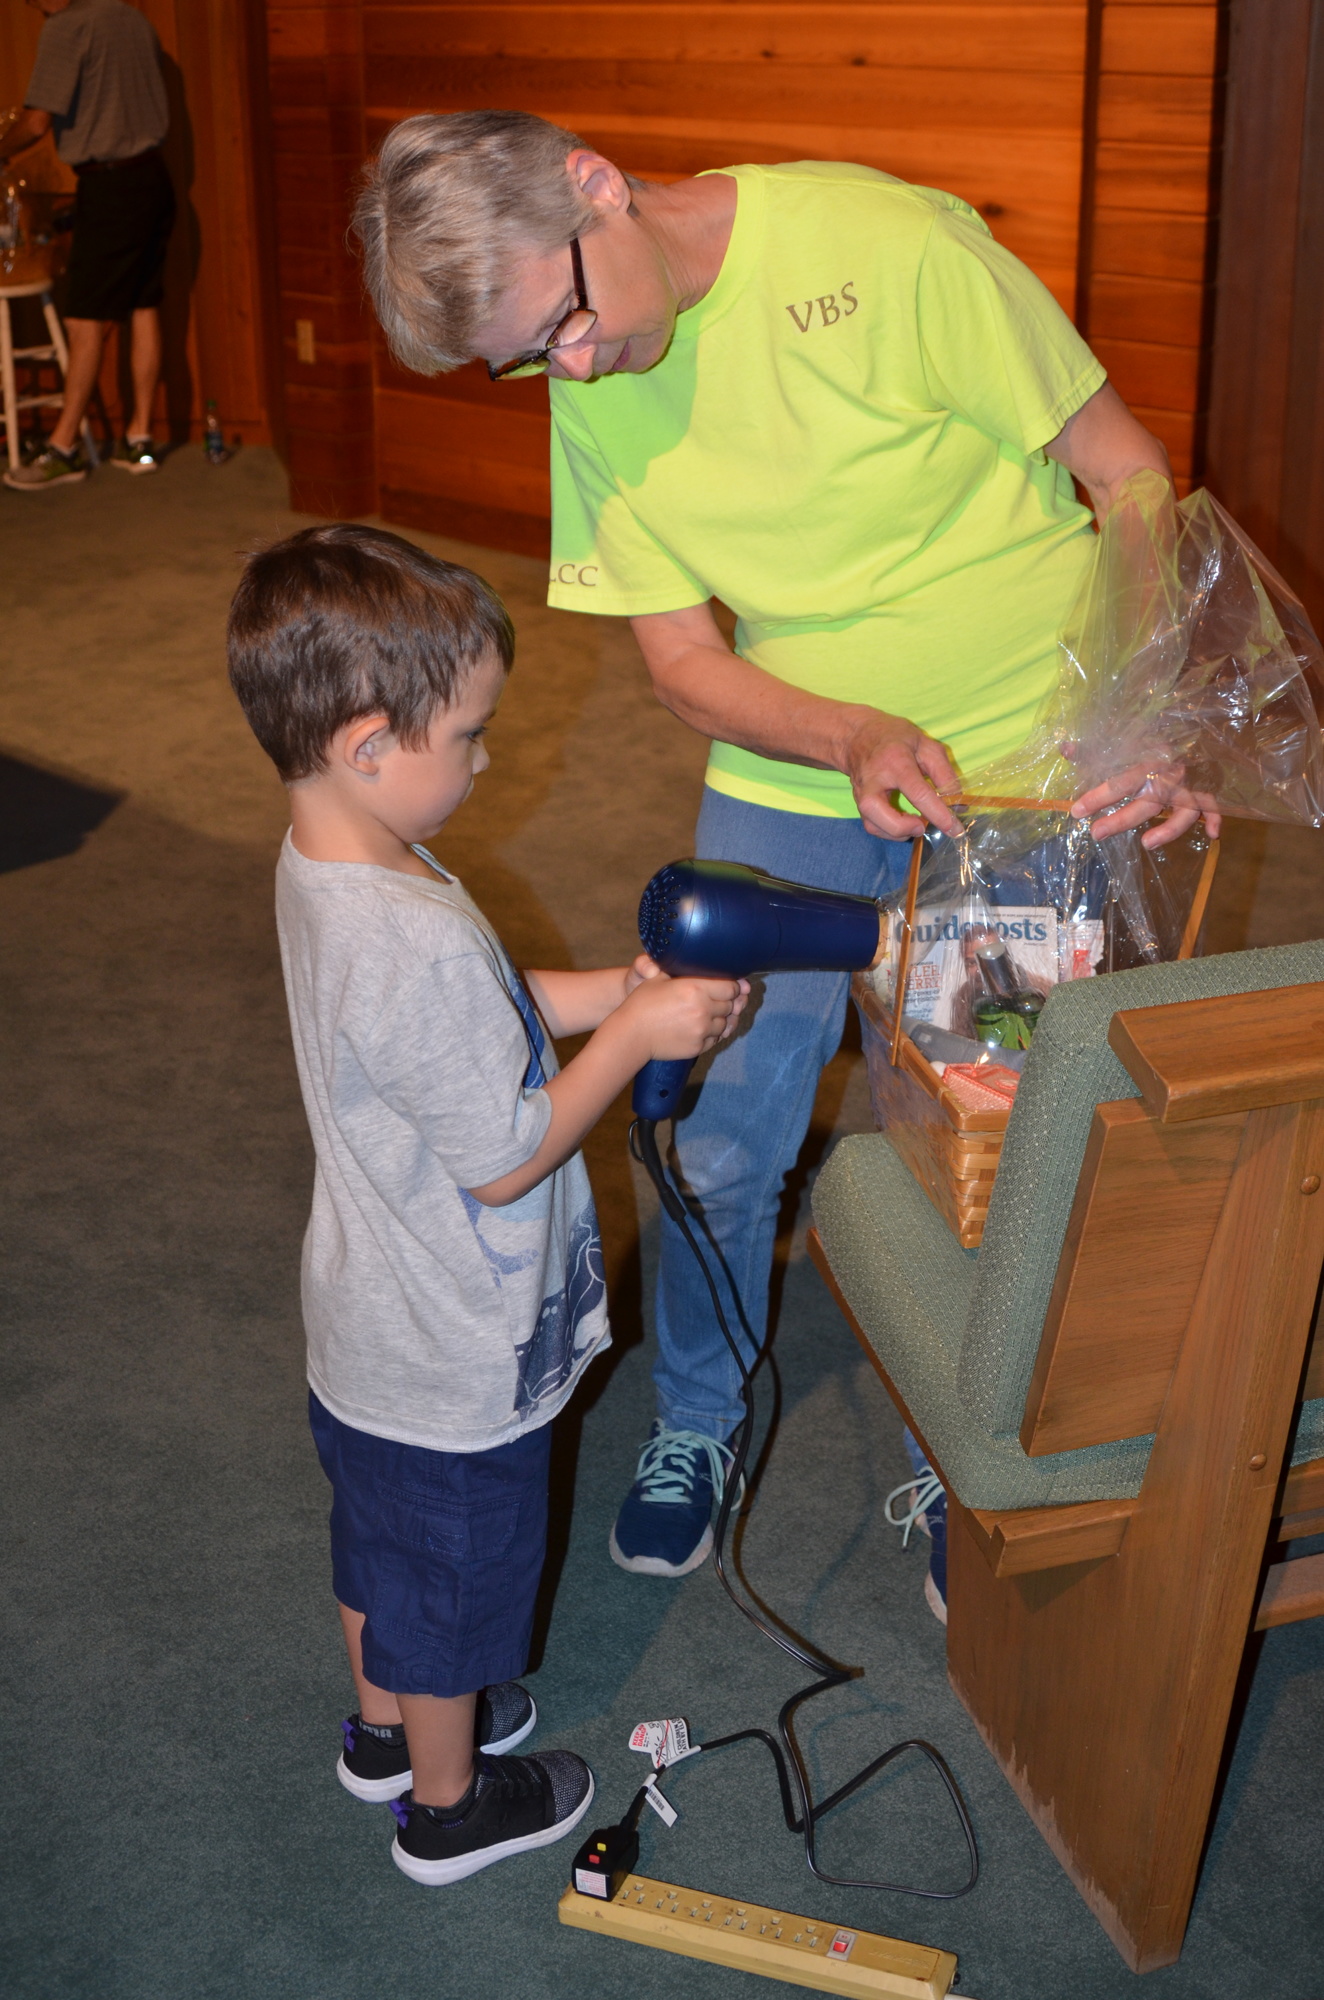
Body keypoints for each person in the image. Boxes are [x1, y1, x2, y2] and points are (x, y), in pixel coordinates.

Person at [352, 112, 1221, 1604]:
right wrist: (847, 732)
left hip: (1032, 768)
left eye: (561, 323)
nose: (566, 368)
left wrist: (1137, 715)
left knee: (996, 1141)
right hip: (797, 765)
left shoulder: (891, 249)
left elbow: (1129, 475)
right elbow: (685, 660)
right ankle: (697, 1415)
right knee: (725, 1129)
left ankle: (975, 1457)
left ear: (600, 188)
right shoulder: (589, 362)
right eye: (526, 358)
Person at [226, 523, 747, 1882]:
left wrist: (615, 1002)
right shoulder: (400, 939)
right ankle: (449, 1807)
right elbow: (509, 1152)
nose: (485, 758)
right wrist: (631, 1047)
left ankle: (387, 1732)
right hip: (456, 1358)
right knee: (455, 1588)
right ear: (368, 744)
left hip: (367, 1338)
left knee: (380, 1551)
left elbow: (485, 1023)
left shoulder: (333, 863)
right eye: (467, 736)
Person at [1, 0, 173, 490]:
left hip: (110, 185)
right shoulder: (134, 20)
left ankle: (63, 448)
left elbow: (36, 122)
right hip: (153, 179)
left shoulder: (68, 28)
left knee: (84, 320)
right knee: (143, 303)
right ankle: (139, 441)